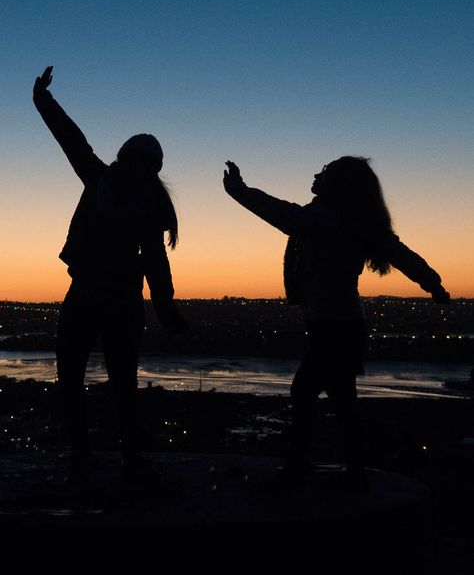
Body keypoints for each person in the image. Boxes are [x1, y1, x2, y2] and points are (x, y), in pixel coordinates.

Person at [223, 157, 450, 487]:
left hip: (333, 325)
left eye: (324, 173)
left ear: (338, 184)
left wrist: (238, 190)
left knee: (306, 392)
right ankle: (349, 470)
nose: (316, 174)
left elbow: (281, 214)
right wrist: (434, 284)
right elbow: (402, 255)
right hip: (341, 324)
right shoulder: (356, 222)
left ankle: (305, 466)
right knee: (341, 400)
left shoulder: (326, 220)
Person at [33, 66, 187, 485]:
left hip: (95, 297)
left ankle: (104, 457)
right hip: (103, 298)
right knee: (113, 383)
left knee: (94, 381)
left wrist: (165, 304)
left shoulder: (107, 183)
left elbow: (156, 258)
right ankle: (114, 458)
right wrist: (43, 100)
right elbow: (70, 138)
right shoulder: (136, 196)